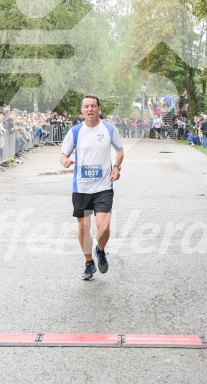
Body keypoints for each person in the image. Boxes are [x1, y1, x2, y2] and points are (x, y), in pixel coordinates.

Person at [60, 95, 124, 281]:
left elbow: (119, 151)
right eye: (86, 106)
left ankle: (100, 250)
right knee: (83, 228)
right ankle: (89, 263)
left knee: (103, 227)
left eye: (93, 106)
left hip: (103, 186)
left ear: (99, 109)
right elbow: (64, 153)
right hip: (81, 187)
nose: (90, 109)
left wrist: (116, 167)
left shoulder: (109, 129)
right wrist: (64, 160)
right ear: (82, 110)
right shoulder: (75, 132)